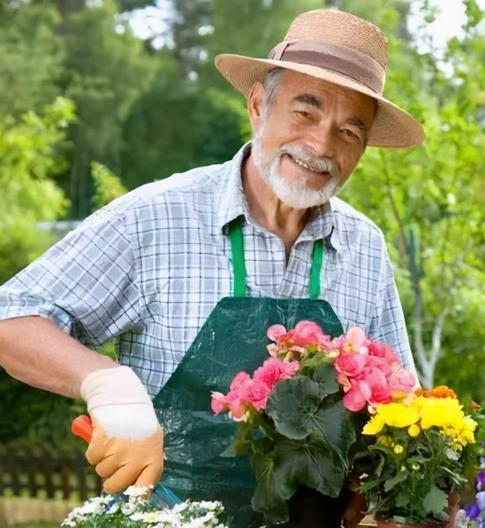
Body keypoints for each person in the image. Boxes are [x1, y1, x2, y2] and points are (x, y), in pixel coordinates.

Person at [0, 8, 423, 528]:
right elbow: (11, 319)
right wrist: (108, 385)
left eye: (349, 132)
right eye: (305, 113)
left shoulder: (364, 246)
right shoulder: (155, 217)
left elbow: (403, 405)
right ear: (258, 105)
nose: (321, 146)